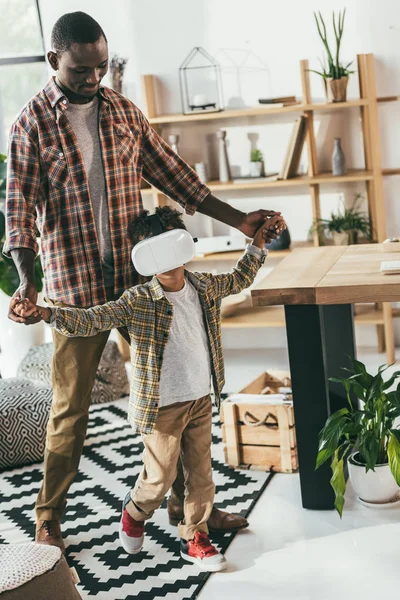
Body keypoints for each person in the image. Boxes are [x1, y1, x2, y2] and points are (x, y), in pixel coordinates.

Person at [3, 10, 282, 552]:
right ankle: (48, 517)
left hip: (139, 281)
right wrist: (25, 282)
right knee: (69, 410)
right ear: (53, 61)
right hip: (76, 288)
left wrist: (239, 220)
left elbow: (179, 178)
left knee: (176, 389)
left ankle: (188, 509)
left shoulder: (124, 114)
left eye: (102, 67)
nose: (94, 79)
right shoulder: (30, 124)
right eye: (82, 70)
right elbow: (18, 212)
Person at [12, 206, 285, 571]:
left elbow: (240, 277)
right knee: (159, 479)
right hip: (162, 407)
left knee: (201, 474)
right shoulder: (137, 300)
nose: (168, 260)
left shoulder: (203, 286)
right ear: (143, 259)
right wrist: (47, 312)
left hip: (201, 397)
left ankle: (196, 535)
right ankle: (135, 510)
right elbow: (92, 318)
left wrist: (257, 243)